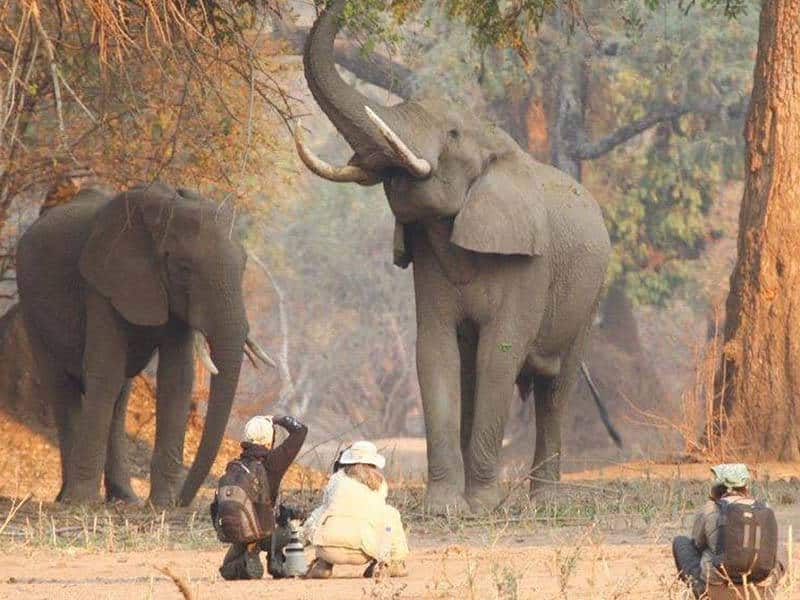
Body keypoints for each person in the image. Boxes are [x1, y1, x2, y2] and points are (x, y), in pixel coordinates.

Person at [214, 414, 307, 580]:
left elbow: (216, 506)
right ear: (269, 439)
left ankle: (246, 553)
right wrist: (277, 419)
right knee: (286, 529)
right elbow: (300, 431)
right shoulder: (274, 461)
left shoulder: (235, 466)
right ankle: (272, 558)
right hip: (265, 532)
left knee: (227, 569)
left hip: (239, 531)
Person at [672, 464, 783, 598]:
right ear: (745, 487)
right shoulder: (764, 508)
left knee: (681, 542)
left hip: (716, 589)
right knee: (780, 548)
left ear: (719, 487)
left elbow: (697, 544)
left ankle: (700, 594)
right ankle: (768, 590)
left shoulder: (710, 508)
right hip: (759, 589)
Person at [303, 441, 409, 579]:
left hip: (327, 550)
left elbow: (326, 506)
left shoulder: (336, 479)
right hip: (365, 552)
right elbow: (378, 515)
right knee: (390, 513)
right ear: (373, 462)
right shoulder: (380, 482)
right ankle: (391, 564)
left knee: (325, 511)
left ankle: (323, 564)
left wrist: (303, 536)